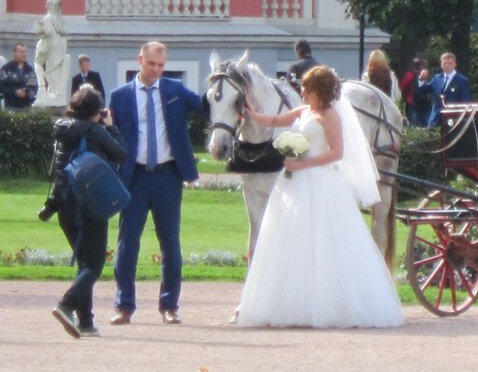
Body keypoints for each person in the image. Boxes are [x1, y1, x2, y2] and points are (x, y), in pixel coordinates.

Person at [235, 65, 403, 329]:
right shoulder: (304, 111)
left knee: (324, 239)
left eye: (306, 88)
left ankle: (330, 301)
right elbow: (278, 121)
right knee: (290, 239)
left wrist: (303, 164)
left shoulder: (330, 116)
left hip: (319, 180)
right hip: (295, 183)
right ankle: (292, 300)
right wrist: (254, 114)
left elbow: (337, 153)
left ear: (318, 91)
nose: (301, 91)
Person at [108, 41, 203, 326]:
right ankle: (124, 306)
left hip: (167, 175)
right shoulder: (120, 95)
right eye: (151, 64)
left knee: (171, 243)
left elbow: (205, 107)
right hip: (133, 176)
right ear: (140, 60)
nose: (156, 70)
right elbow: (113, 134)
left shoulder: (175, 89)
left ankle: (169, 305)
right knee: (127, 242)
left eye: (161, 65)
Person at [48, 87, 127, 338]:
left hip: (64, 206)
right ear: (96, 111)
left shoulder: (62, 129)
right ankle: (66, 304)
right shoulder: (96, 130)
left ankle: (86, 321)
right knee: (94, 264)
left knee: (85, 264)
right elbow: (121, 154)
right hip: (90, 206)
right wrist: (110, 126)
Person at [417, 52, 472, 127]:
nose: (447, 66)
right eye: (444, 63)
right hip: (435, 120)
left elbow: (466, 103)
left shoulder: (462, 81)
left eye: (450, 63)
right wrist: (421, 79)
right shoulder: (437, 78)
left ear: (455, 64)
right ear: (441, 65)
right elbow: (424, 90)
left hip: (453, 120)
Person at [34, 0, 69, 103]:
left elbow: (45, 33)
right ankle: (53, 92)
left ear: (49, 6)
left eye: (48, 4)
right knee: (54, 69)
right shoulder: (60, 20)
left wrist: (39, 27)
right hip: (59, 45)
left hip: (50, 45)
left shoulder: (48, 18)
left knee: (40, 64)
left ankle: (43, 87)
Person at [0, 43, 39, 110]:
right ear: (14, 53)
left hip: (27, 106)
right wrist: (15, 92)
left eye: (25, 52)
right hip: (11, 106)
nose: (24, 54)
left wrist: (26, 93)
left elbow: (34, 87)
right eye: (21, 52)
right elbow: (1, 87)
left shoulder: (29, 69)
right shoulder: (6, 69)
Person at [399, 57, 425, 126]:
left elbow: (402, 88)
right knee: (422, 122)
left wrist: (405, 97)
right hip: (422, 102)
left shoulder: (409, 75)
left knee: (413, 123)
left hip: (412, 102)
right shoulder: (423, 75)